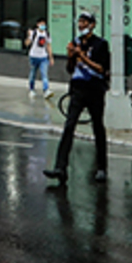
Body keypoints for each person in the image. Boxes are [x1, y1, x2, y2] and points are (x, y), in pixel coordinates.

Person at [44, 11, 110, 185]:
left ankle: (102, 167)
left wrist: (82, 56)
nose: (81, 25)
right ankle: (60, 168)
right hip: (78, 89)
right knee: (69, 125)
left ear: (92, 25)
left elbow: (101, 69)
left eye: (85, 21)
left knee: (97, 126)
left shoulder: (100, 44)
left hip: (95, 89)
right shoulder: (76, 42)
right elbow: (70, 69)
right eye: (80, 21)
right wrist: (71, 57)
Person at [25, 18, 54, 99]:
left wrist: (51, 57)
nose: (42, 26)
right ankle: (31, 89)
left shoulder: (47, 34)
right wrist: (29, 36)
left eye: (44, 24)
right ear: (37, 24)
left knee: (44, 74)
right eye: (41, 24)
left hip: (43, 57)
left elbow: (48, 46)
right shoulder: (34, 33)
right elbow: (27, 44)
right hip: (33, 56)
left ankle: (46, 90)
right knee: (33, 74)